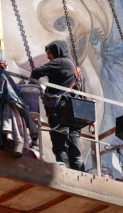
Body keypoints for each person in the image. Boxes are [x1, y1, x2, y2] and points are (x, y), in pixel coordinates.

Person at [30, 40, 84, 171]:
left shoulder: (61, 62)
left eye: (50, 53)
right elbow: (83, 94)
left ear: (57, 51)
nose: (48, 57)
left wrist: (32, 85)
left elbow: (36, 72)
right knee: (74, 145)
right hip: (75, 113)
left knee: (59, 140)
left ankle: (64, 169)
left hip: (61, 111)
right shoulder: (76, 70)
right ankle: (79, 172)